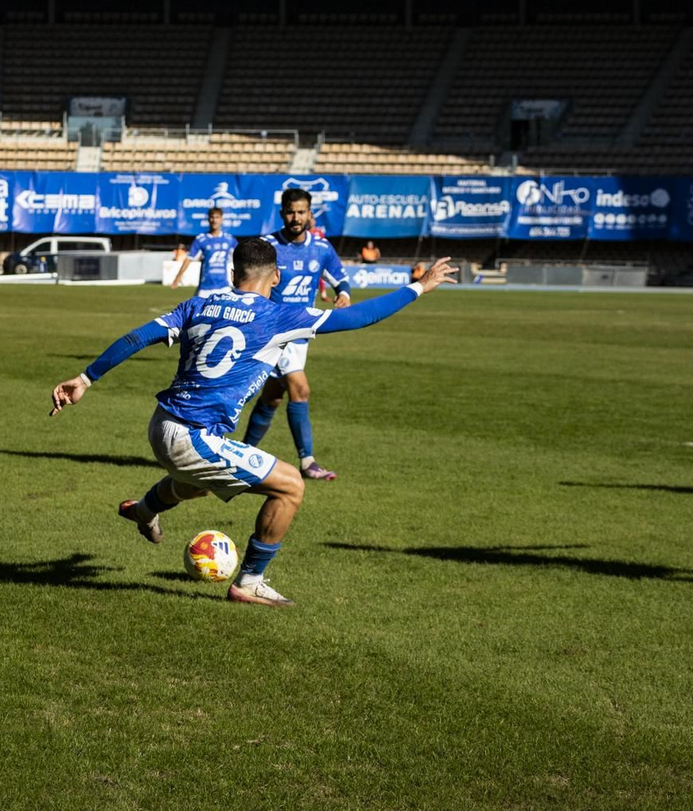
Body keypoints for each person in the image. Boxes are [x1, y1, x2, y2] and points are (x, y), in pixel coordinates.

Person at [49, 239, 457, 607]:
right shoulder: (279, 317)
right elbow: (360, 317)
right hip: (191, 436)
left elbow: (138, 336)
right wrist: (421, 286)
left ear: (232, 273)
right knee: (290, 486)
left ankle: (143, 510)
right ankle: (250, 581)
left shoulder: (199, 304)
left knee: (198, 484)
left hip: (162, 424)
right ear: (276, 275)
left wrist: (85, 378)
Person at [241, 187, 351, 480]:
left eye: (301, 212)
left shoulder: (321, 248)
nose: (296, 217)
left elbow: (339, 278)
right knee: (300, 389)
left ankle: (242, 453)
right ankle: (308, 462)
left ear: (309, 213)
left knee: (273, 396)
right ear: (282, 214)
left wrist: (344, 294)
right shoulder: (267, 247)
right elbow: (247, 280)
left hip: (302, 332)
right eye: (290, 212)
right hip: (273, 328)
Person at [170, 206, 237, 294]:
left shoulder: (229, 239)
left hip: (223, 287)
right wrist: (177, 278)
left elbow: (241, 257)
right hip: (205, 288)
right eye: (212, 217)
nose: (214, 220)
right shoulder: (201, 239)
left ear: (222, 219)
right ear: (208, 219)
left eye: (217, 217)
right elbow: (189, 259)